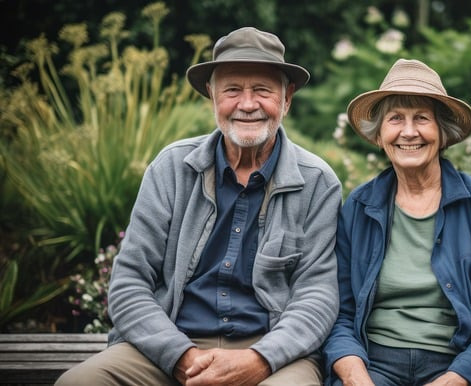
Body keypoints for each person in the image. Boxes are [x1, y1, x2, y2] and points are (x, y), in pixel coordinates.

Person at [56, 27, 342, 386]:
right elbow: (129, 283)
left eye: (263, 91)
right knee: (78, 383)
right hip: (171, 341)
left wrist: (259, 360)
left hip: (273, 351)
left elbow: (318, 296)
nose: (248, 104)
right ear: (212, 95)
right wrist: (181, 357)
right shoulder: (171, 168)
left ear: (287, 99)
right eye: (233, 90)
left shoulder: (317, 181)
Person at [322, 59, 471, 386]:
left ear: (442, 133)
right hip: (374, 362)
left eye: (421, 118)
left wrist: (453, 380)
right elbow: (340, 316)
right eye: (395, 119)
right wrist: (355, 377)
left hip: (459, 364)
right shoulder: (359, 207)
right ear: (379, 136)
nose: (408, 132)